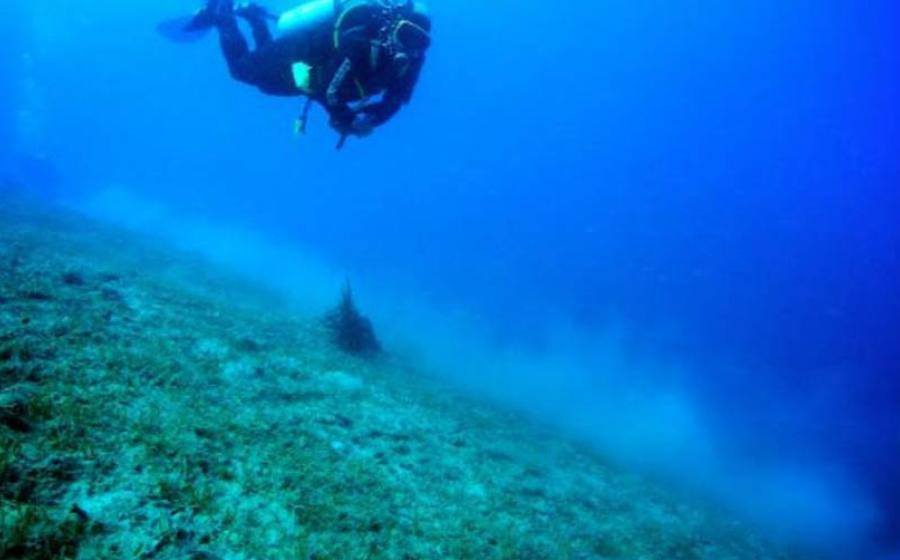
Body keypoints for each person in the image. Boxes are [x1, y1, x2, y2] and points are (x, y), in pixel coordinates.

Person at [184, 0, 431, 147]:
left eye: (419, 41)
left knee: (266, 85)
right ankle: (221, 16)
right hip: (298, 55)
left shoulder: (413, 58)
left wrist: (370, 120)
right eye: (405, 34)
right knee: (241, 70)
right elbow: (328, 89)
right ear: (392, 29)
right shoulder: (359, 42)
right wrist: (346, 119)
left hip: (307, 75)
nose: (408, 46)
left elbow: (396, 100)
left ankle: (253, 16)